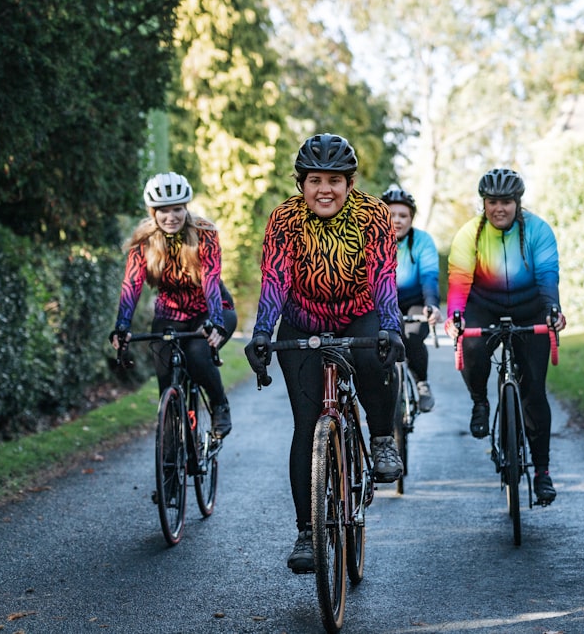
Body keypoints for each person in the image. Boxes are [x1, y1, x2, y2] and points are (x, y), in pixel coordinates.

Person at [244, 133, 405, 573]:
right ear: (302, 184)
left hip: (359, 314)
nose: (325, 189)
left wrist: (390, 326)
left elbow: (384, 276)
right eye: (315, 180)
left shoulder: (373, 214)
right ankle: (308, 534)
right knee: (305, 426)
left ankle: (382, 438)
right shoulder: (284, 220)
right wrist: (261, 332)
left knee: (376, 357)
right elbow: (274, 280)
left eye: (335, 179)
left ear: (350, 183)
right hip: (303, 320)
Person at [443, 168, 566, 504]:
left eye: (506, 202)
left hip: (530, 309)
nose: (499, 208)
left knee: (534, 394)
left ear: (517, 203)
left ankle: (542, 472)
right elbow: (459, 278)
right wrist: (455, 315)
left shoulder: (538, 230)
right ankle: (480, 402)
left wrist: (552, 309)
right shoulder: (471, 233)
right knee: (472, 344)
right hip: (484, 306)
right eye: (492, 202)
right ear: (484, 203)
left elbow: (547, 274)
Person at [110, 172, 237, 439]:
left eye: (177, 209)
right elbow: (131, 285)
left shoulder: (205, 232)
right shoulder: (143, 241)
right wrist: (122, 326)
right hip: (170, 316)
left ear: (186, 208)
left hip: (212, 310)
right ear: (152, 212)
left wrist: (214, 320)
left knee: (198, 355)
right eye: (163, 211)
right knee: (166, 379)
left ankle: (219, 405)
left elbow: (211, 280)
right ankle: (170, 453)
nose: (171, 217)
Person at [380, 186, 442, 412]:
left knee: (412, 335)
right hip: (383, 302)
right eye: (391, 214)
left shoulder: (422, 241)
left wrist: (431, 304)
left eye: (403, 216)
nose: (396, 220)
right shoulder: (371, 239)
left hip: (416, 301)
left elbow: (429, 276)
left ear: (411, 218)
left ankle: (422, 383)